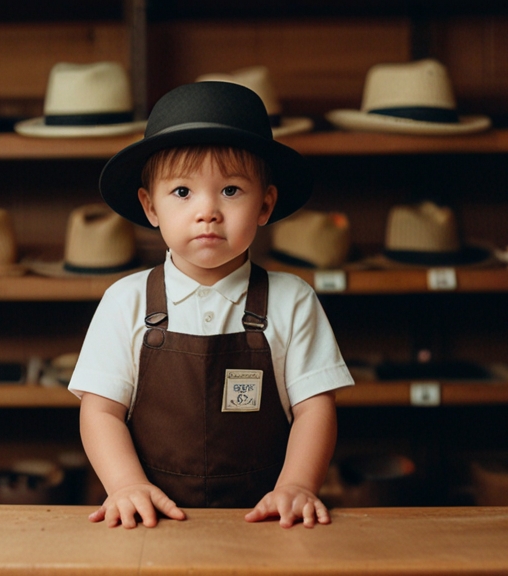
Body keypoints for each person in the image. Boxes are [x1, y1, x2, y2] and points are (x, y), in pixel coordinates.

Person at [68, 81, 354, 529]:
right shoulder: (125, 300)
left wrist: (298, 485)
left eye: (231, 190)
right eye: (182, 192)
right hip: (150, 521)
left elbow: (315, 408)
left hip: (266, 521)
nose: (208, 212)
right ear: (150, 207)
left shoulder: (293, 299)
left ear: (266, 204)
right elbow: (100, 410)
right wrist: (125, 484)